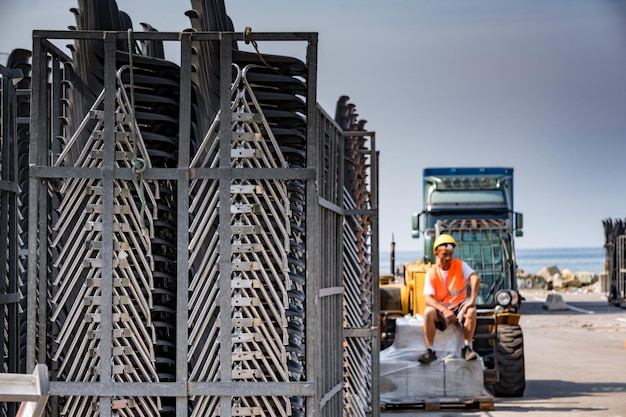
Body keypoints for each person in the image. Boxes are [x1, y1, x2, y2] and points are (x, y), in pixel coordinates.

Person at [418, 234, 480, 364]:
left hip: (459, 305)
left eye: (450, 254)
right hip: (442, 308)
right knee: (428, 312)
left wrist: (472, 300)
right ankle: (429, 350)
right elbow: (428, 299)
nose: (448, 258)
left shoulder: (460, 265)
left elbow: (475, 278)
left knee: (471, 311)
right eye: (445, 254)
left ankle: (467, 348)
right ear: (436, 253)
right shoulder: (431, 273)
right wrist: (444, 310)